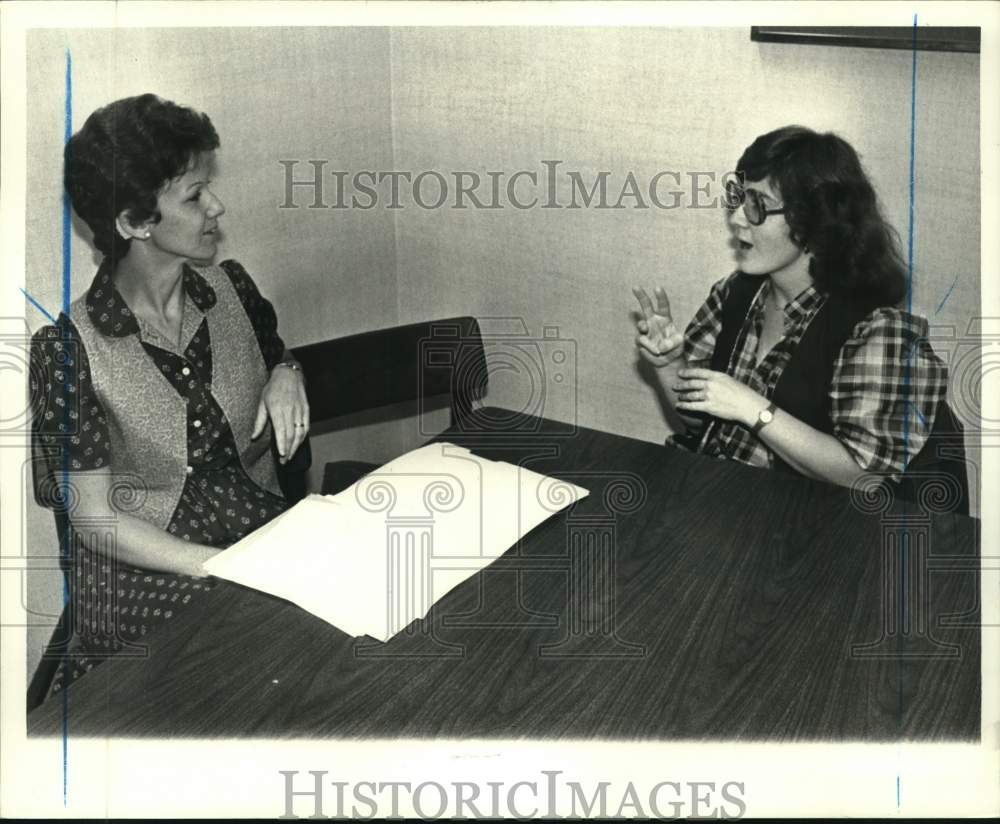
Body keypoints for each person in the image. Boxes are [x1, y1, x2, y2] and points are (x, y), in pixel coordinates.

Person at [29, 94, 309, 694]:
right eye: (193, 195)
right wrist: (219, 567)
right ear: (133, 223)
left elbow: (277, 352)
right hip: (146, 570)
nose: (217, 205)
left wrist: (288, 374)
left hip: (257, 531)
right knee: (225, 669)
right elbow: (95, 520)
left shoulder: (230, 287)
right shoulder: (69, 348)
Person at [632, 125, 967, 509]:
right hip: (730, 503)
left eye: (757, 204)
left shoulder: (877, 330)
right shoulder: (735, 294)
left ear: (814, 223)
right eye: (738, 198)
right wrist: (668, 365)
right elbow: (699, 422)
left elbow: (864, 477)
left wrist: (752, 408)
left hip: (812, 536)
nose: (738, 218)